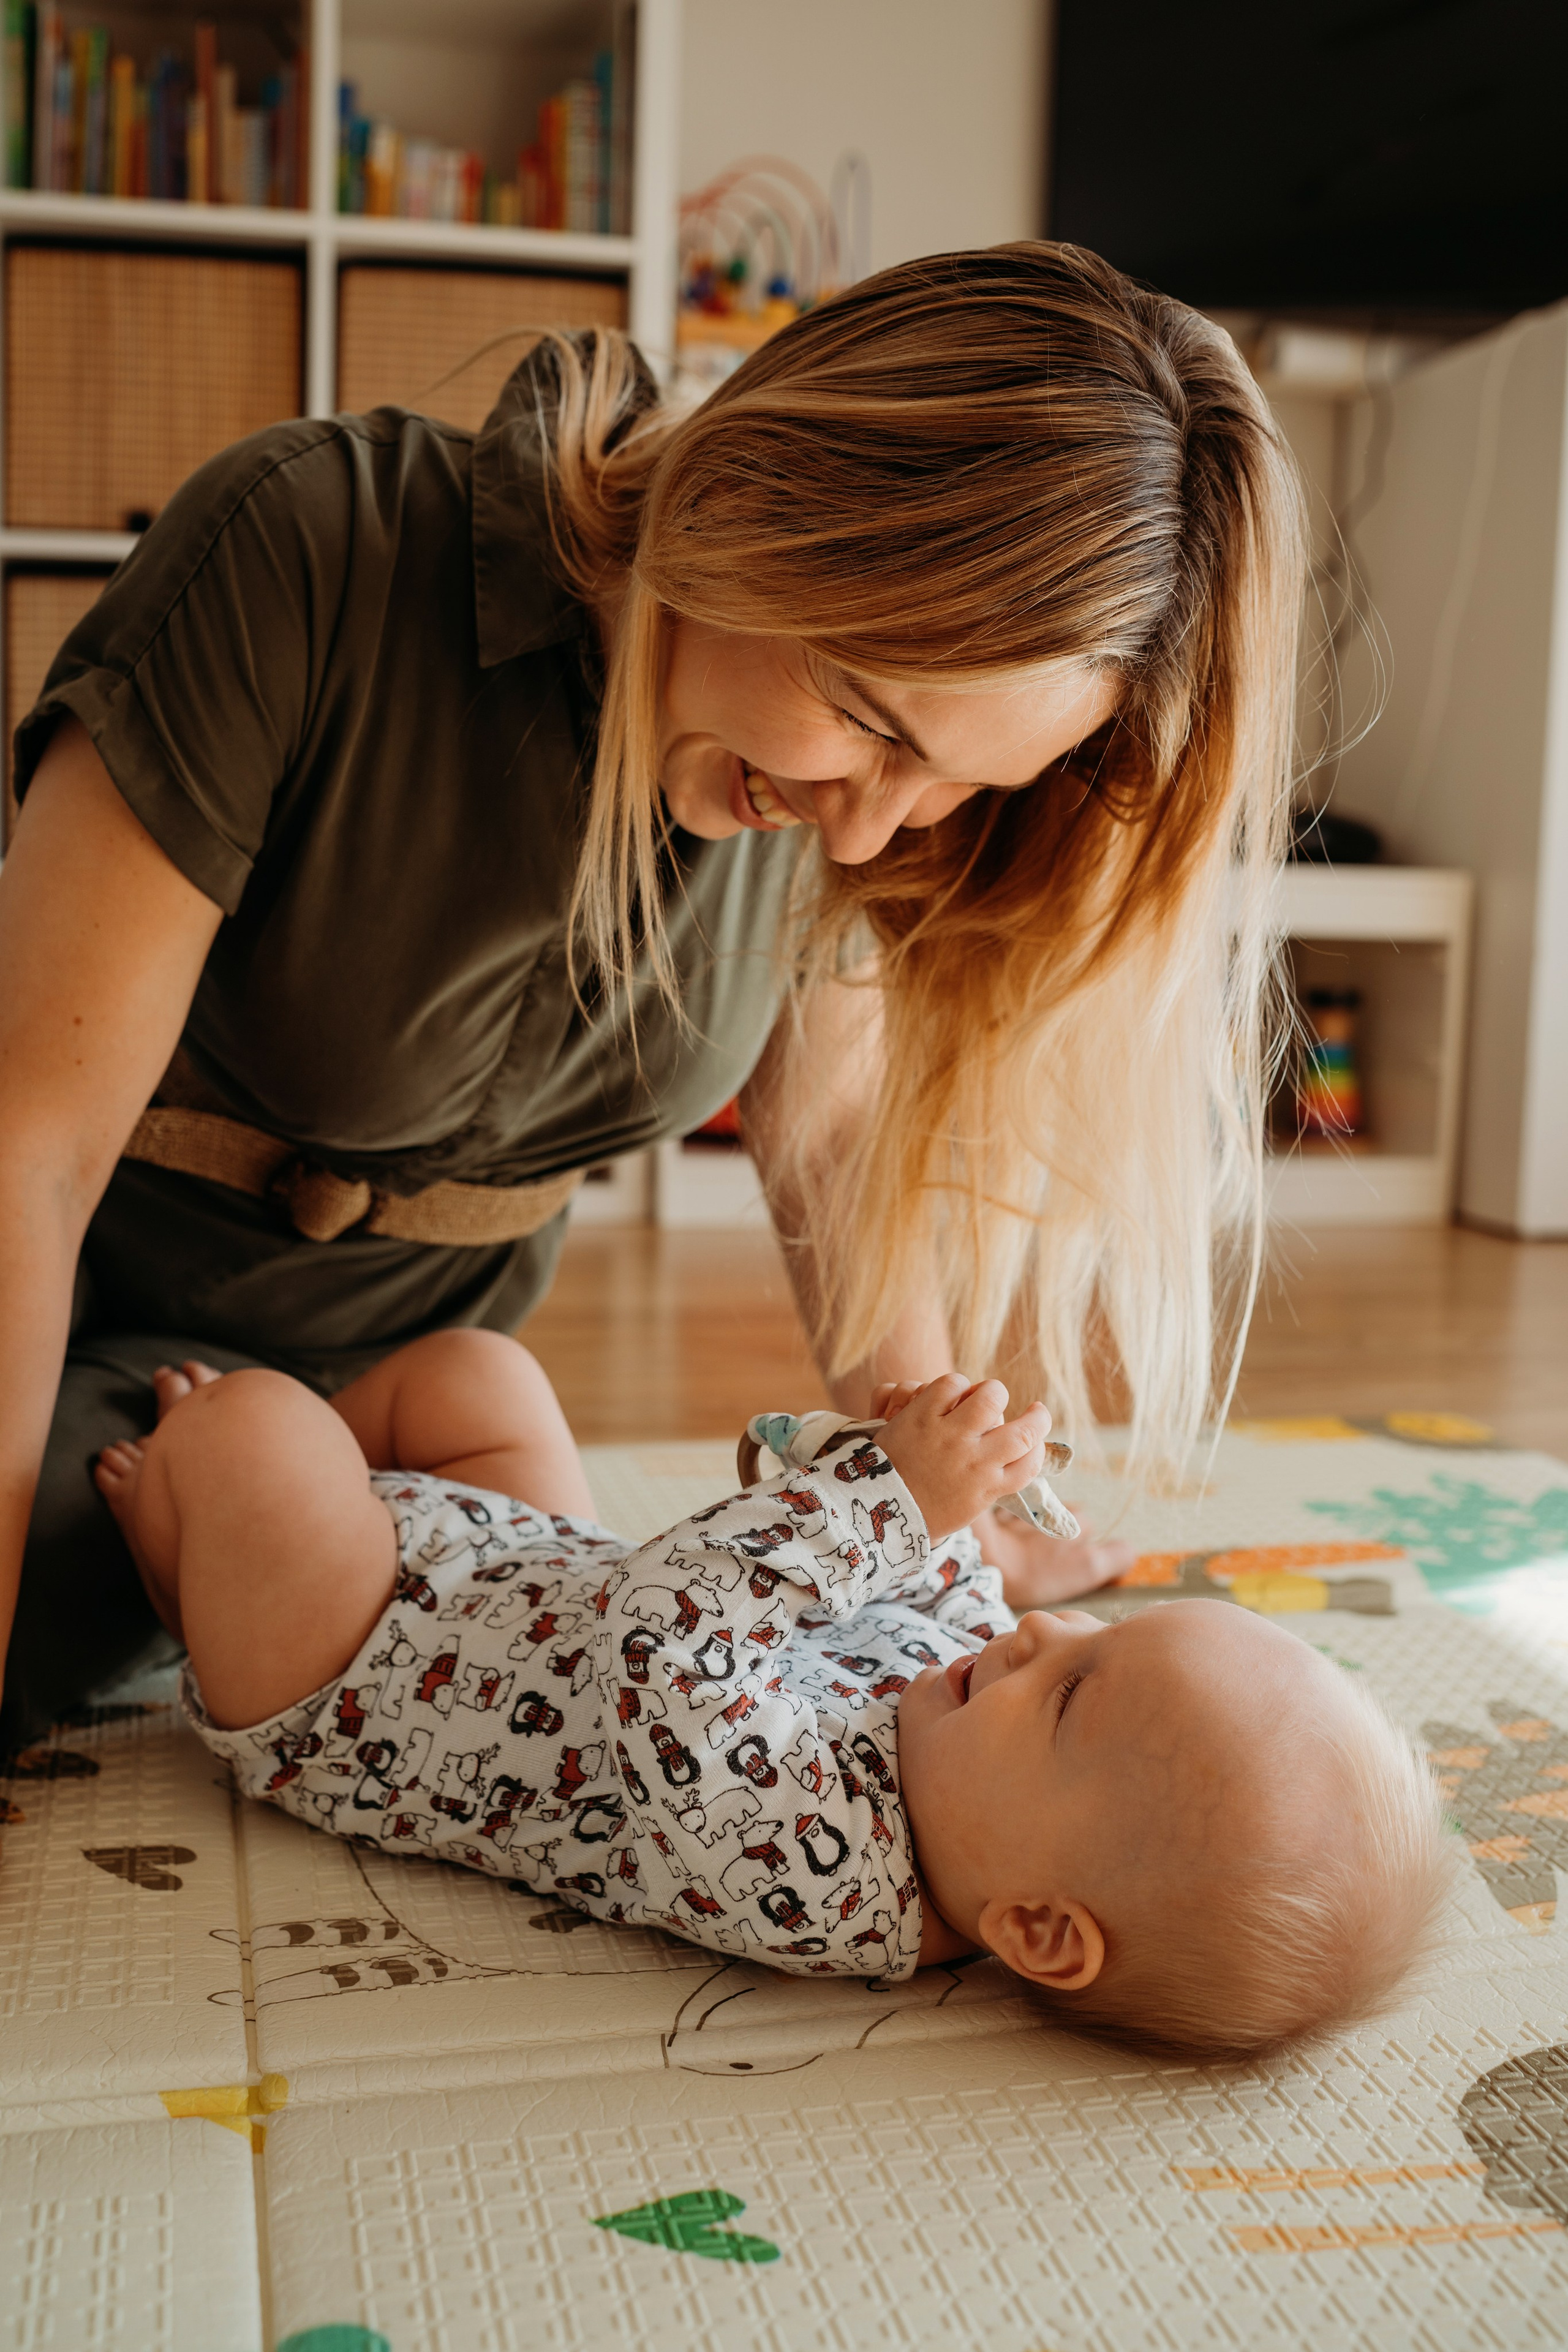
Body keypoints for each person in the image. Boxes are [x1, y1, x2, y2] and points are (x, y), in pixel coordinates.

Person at [0, 239, 1308, 1747]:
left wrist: (946, 1519)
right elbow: (31, 1152)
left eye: (958, 784)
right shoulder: (306, 546)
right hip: (86, 1318)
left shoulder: (842, 819)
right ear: (756, 493)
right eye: (869, 723)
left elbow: (829, 1149)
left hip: (412, 1413)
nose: (867, 836)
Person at [92, 1332, 1450, 2060]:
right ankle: (274, 1494)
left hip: (357, 1679)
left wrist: (883, 1505)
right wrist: (889, 1468)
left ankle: (191, 1552)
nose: (1040, 1633)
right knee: (479, 1375)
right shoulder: (973, 1728)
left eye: (1071, 1695)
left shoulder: (824, 1882)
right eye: (1101, 1626)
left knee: (257, 1426)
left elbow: (669, 1636)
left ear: (1039, 1928)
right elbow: (867, 1567)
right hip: (528, 1577)